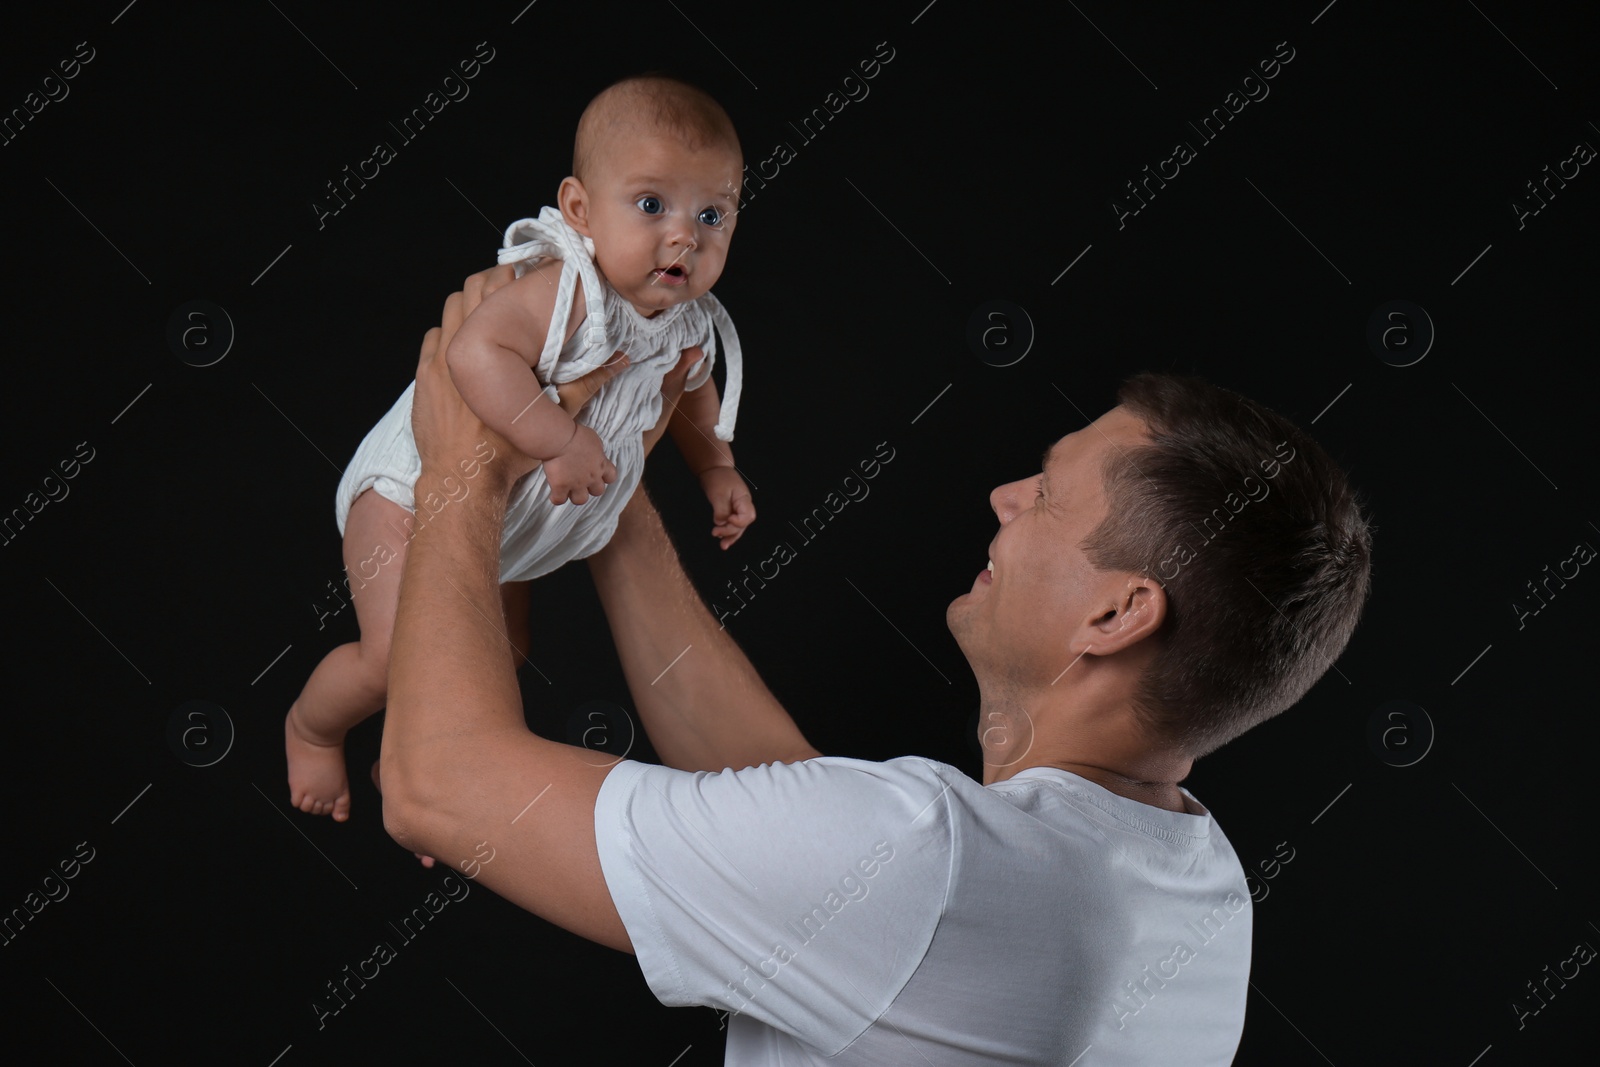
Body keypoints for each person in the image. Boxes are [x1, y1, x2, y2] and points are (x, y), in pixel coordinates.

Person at [379, 267, 1374, 1064]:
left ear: (1115, 612)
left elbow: (438, 787)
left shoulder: (924, 863)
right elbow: (796, 818)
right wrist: (610, 487)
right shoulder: (1195, 887)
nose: (1002, 495)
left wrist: (462, 462)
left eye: (1049, 493)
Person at [285, 75, 756, 822]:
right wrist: (563, 439)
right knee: (391, 660)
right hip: (410, 496)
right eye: (651, 205)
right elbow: (474, 355)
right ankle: (312, 728)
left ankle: (407, 766)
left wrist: (716, 466)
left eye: (713, 214)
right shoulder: (565, 291)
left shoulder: (689, 315)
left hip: (512, 520)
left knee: (491, 662)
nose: (684, 237)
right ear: (579, 210)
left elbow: (694, 390)